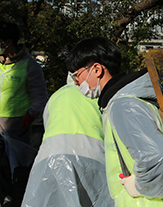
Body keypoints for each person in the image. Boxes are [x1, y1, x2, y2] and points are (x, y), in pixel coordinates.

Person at [67, 37, 163, 207]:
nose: (75, 81)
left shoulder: (124, 106)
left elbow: (156, 158)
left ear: (96, 70)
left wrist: (140, 187)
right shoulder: (128, 101)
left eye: (76, 74)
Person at [21, 81, 114, 207]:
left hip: (48, 155)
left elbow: (47, 123)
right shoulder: (99, 93)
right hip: (92, 154)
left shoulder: (57, 94)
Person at [0, 21, 48, 206]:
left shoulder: (30, 66)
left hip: (17, 130)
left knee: (16, 172)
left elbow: (39, 97)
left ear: (7, 42)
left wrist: (29, 117)